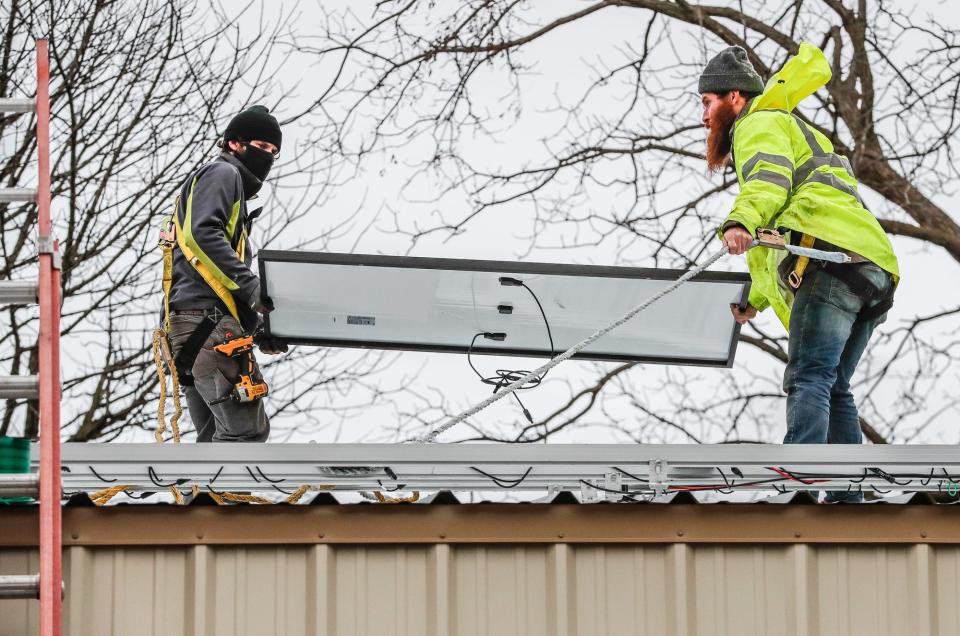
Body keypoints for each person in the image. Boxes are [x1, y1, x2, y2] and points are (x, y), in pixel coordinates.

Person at [699, 44, 899, 501]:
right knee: (834, 386)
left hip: (831, 263)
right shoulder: (791, 127)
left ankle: (800, 483)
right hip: (872, 267)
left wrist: (738, 222)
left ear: (734, 98)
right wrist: (757, 298)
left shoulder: (758, 123)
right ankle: (850, 495)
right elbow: (792, 224)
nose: (704, 117)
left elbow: (769, 181)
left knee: (807, 376)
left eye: (707, 104)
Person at [161, 105, 288, 442]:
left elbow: (212, 276)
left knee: (213, 439)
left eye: (274, 152)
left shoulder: (222, 185)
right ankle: (220, 495)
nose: (268, 157)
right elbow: (202, 235)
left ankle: (202, 495)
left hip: (195, 329)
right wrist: (252, 288)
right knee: (245, 434)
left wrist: (259, 328)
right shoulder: (223, 175)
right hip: (208, 327)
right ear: (235, 143)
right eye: (262, 148)